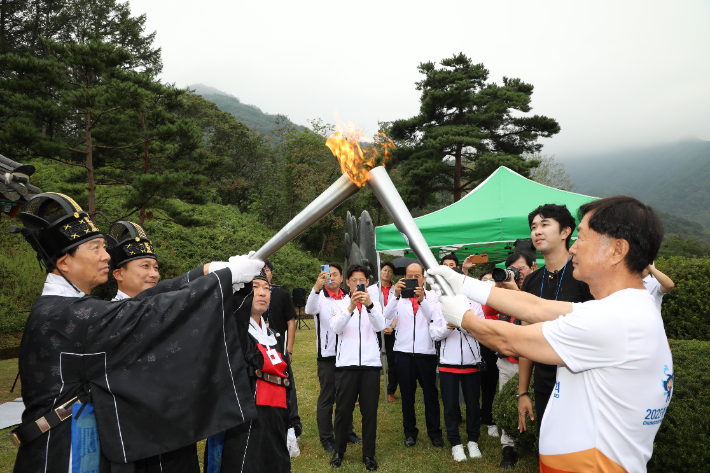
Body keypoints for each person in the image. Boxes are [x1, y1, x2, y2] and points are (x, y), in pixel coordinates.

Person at [10, 193, 264, 472]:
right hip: (62, 451)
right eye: (95, 248)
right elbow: (145, 312)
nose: (106, 255)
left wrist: (208, 273)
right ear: (64, 262)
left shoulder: (72, 308)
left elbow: (140, 303)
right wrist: (221, 279)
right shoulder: (62, 313)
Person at [429, 195, 672, 473]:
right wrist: (463, 283)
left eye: (581, 238)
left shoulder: (614, 319)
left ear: (617, 250)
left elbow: (508, 339)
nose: (573, 250)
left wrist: (463, 317)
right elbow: (535, 307)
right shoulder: (626, 306)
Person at [107, 221, 200, 472]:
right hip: (134, 430)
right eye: (145, 266)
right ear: (118, 274)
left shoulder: (164, 309)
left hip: (177, 423)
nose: (154, 274)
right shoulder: (107, 316)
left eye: (156, 267)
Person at [517, 204, 594, 457]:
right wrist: (523, 392)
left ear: (565, 232)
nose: (537, 231)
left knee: (580, 452)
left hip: (581, 381)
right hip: (544, 382)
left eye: (545, 224)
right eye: (533, 227)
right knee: (549, 449)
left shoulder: (585, 276)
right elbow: (524, 340)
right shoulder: (531, 280)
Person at [205, 268, 295, 473]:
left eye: (267, 288)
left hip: (276, 419)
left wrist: (292, 423)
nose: (262, 293)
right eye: (254, 287)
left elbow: (289, 382)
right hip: (245, 425)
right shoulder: (233, 333)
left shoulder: (275, 336)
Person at [328, 264, 385, 471]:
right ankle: (338, 452)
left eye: (362, 280)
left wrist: (369, 306)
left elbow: (380, 326)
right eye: (354, 280)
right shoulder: (340, 303)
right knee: (343, 411)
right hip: (346, 366)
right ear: (348, 282)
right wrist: (351, 308)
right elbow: (336, 327)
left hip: (370, 365)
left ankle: (368, 454)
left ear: (367, 282)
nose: (358, 284)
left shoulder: (375, 303)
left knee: (370, 412)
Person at [483, 251, 537, 468]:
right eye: (512, 269)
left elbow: (535, 312)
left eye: (520, 268)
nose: (516, 273)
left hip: (535, 362)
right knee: (508, 400)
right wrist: (499, 286)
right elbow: (488, 310)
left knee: (536, 403)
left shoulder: (538, 287)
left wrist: (517, 289)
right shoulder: (505, 290)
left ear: (532, 268)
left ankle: (537, 442)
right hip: (507, 361)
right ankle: (508, 447)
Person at [384, 262, 444, 448]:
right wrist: (394, 295)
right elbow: (386, 316)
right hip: (403, 353)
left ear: (423, 278)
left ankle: (435, 433)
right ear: (403, 278)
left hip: (425, 352)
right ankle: (410, 432)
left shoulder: (433, 296)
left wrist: (422, 299)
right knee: (407, 395)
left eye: (416, 276)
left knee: (430, 395)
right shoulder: (399, 297)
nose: (412, 279)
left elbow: (433, 318)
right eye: (409, 276)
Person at [429, 267, 485, 462]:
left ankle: (473, 441)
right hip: (447, 363)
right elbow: (434, 334)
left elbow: (482, 331)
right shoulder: (438, 304)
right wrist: (447, 327)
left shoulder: (474, 303)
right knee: (451, 407)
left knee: (472, 404)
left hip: (471, 361)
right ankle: (455, 443)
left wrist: (464, 323)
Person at [305, 264, 361, 453]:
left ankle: (347, 431)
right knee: (327, 397)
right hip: (328, 355)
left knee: (347, 396)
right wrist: (316, 287)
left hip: (347, 353)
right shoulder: (319, 298)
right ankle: (327, 437)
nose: (332, 278)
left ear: (341, 278)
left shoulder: (348, 297)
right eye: (328, 275)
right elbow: (309, 309)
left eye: (335, 275)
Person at [262, 258, 302, 458]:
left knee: (288, 386)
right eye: (259, 270)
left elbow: (291, 321)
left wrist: (290, 348)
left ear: (271, 273)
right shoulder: (252, 295)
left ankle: (294, 425)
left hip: (280, 349)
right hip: (261, 349)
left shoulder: (282, 294)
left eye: (266, 269)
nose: (263, 272)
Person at [368, 261, 398, 403]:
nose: (386, 273)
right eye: (384, 270)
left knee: (393, 362)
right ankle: (368, 392)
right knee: (372, 360)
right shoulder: (371, 289)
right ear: (380, 271)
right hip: (374, 330)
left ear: (393, 274)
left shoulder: (397, 290)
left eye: (390, 271)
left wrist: (392, 326)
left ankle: (390, 391)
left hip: (392, 330)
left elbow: (400, 312)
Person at [477, 271, 500, 439]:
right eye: (484, 279)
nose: (488, 282)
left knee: (491, 384)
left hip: (497, 344)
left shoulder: (500, 298)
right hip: (479, 344)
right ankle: (480, 415)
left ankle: (489, 418)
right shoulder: (476, 299)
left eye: (491, 279)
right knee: (479, 384)